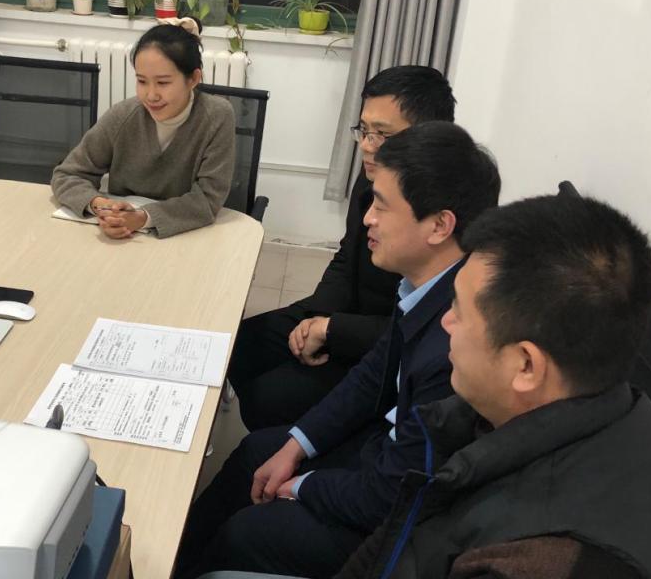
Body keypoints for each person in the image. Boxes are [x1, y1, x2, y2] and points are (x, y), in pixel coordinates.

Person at [175, 122, 501, 579]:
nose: (368, 218)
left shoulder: (455, 342)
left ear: (439, 225)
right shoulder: (423, 285)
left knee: (245, 533)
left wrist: (301, 486)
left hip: (393, 525)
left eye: (382, 206)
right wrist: (297, 445)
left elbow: (390, 497)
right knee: (256, 453)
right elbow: (372, 375)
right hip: (380, 456)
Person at [337, 194, 651, 579]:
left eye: (459, 310)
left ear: (526, 366)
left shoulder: (541, 561)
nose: (446, 322)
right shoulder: (604, 406)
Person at [228, 66, 456, 431]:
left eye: (383, 134)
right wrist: (315, 318)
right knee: (239, 345)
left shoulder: (442, 218)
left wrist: (332, 329)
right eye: (364, 130)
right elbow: (347, 257)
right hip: (342, 317)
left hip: (381, 348)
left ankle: (292, 445)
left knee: (267, 398)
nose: (367, 145)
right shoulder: (371, 181)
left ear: (427, 136)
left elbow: (417, 327)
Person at [51, 17, 235, 239]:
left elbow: (207, 199)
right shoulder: (124, 116)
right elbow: (67, 174)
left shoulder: (217, 116)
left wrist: (143, 218)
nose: (151, 95)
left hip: (185, 236)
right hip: (123, 238)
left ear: (193, 79)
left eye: (163, 83)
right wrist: (102, 207)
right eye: (142, 81)